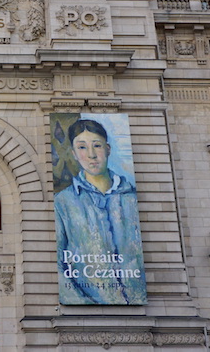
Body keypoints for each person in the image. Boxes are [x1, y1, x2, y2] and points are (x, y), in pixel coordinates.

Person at [54, 118, 146, 305]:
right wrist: (85, 304)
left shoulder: (131, 196)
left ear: (108, 149)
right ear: (73, 153)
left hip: (138, 307)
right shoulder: (63, 201)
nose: (91, 155)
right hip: (83, 312)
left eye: (97, 145)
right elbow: (57, 264)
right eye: (82, 147)